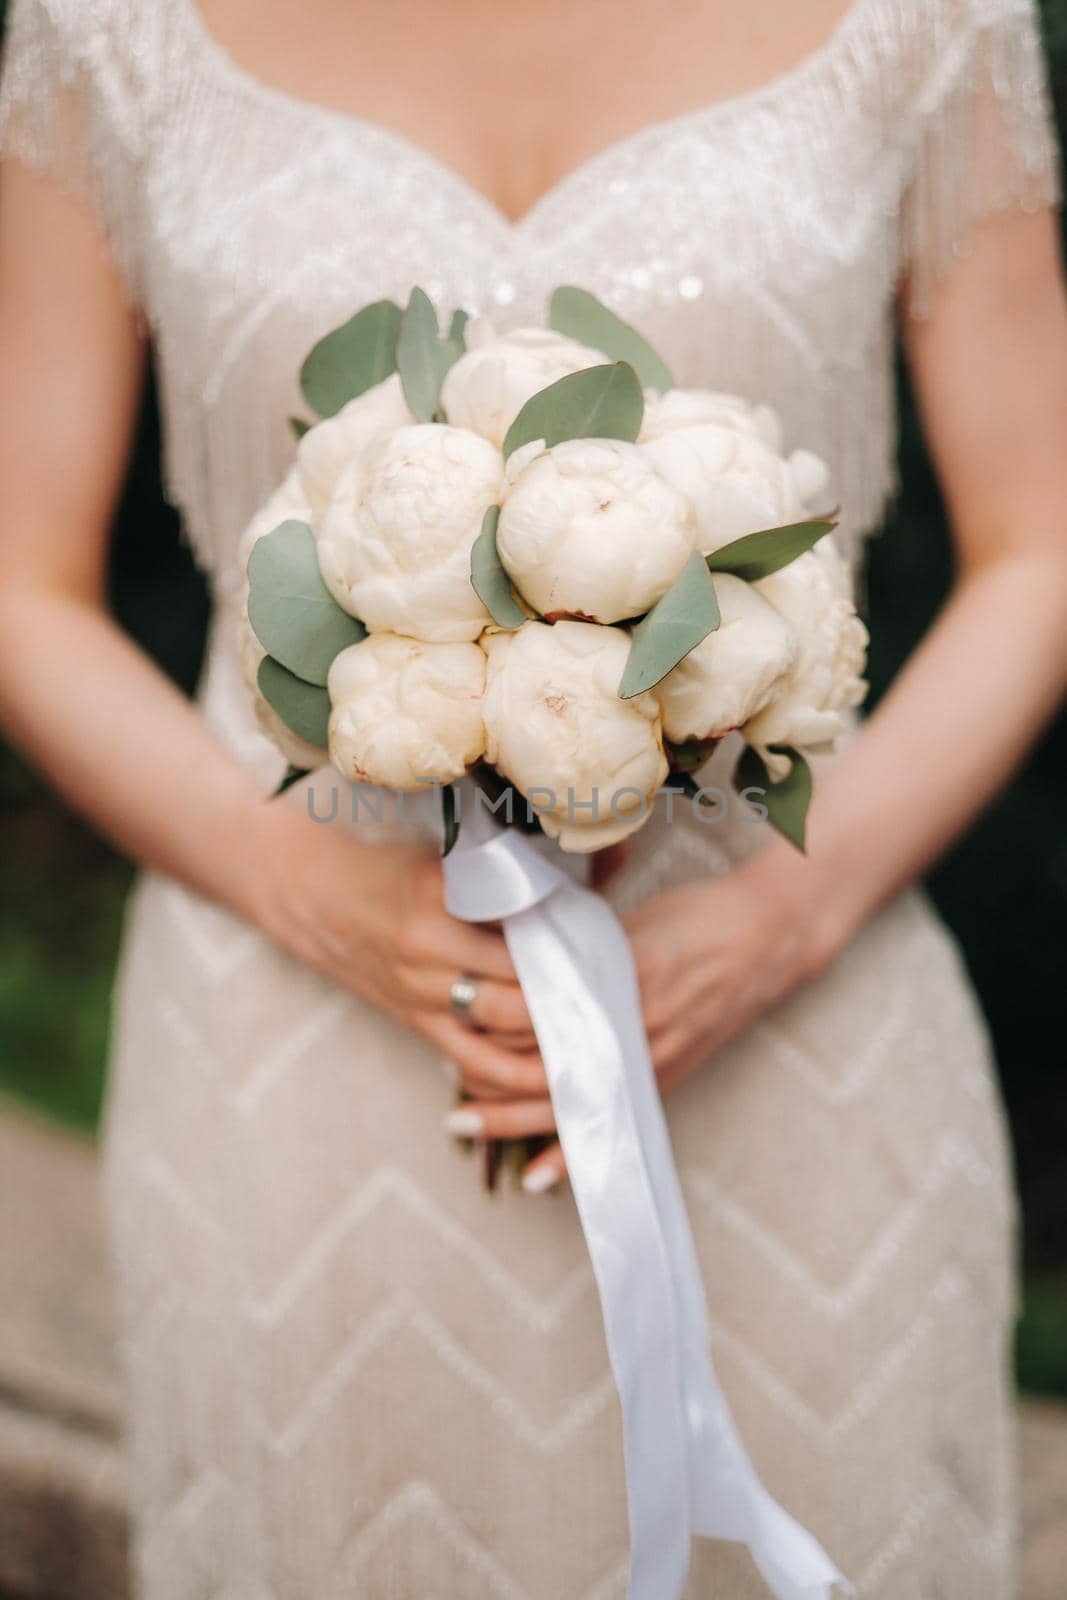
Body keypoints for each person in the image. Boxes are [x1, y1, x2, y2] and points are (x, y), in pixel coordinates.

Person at [1, 0, 1065, 1594]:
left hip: (789, 1038)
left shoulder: (928, 20)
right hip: (299, 1055)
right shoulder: (107, 29)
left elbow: (1044, 544)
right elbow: (21, 580)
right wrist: (299, 887)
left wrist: (788, 911)